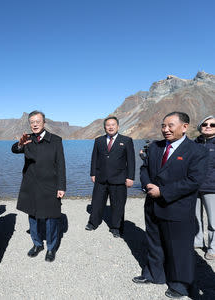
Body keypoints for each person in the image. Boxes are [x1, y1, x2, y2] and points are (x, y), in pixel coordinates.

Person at [132, 112, 208, 299]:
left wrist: (163, 192)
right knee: (154, 242)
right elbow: (144, 169)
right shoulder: (156, 147)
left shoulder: (197, 151)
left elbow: (194, 180)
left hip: (177, 207)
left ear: (184, 127)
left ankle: (180, 285)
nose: (166, 129)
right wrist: (147, 184)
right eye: (163, 126)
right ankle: (154, 274)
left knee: (179, 248)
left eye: (170, 125)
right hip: (152, 204)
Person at [12, 110, 66, 262]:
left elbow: (61, 164)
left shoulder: (55, 140)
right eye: (32, 122)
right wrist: (19, 144)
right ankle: (37, 244)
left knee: (51, 218)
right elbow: (15, 150)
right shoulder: (27, 139)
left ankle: (51, 247)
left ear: (44, 122)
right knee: (33, 216)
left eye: (38, 121)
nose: (35, 124)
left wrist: (61, 186)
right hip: (31, 185)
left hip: (50, 184)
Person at [85, 116, 135, 238]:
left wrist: (130, 177)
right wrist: (93, 173)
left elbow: (131, 161)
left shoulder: (126, 140)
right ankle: (93, 223)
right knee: (96, 202)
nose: (110, 127)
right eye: (108, 125)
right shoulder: (99, 141)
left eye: (113, 125)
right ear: (104, 127)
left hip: (119, 179)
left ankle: (116, 227)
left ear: (118, 126)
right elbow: (94, 158)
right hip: (101, 179)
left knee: (118, 205)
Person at [194, 115, 215, 260]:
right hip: (194, 187)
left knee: (213, 220)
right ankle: (197, 241)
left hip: (212, 187)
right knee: (195, 217)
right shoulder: (195, 143)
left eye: (212, 125)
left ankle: (213, 248)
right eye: (205, 124)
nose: (208, 126)